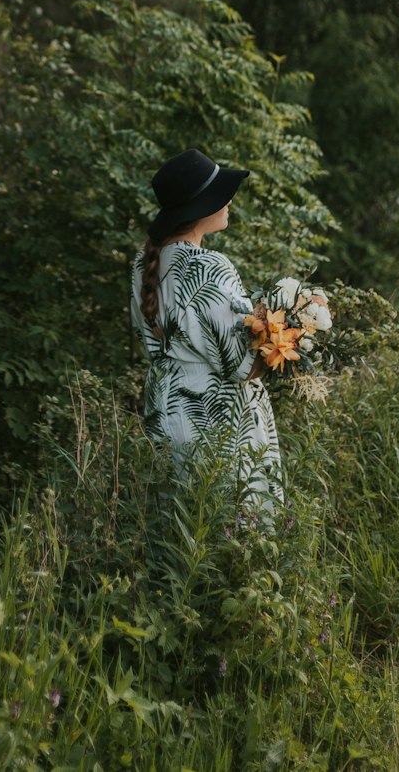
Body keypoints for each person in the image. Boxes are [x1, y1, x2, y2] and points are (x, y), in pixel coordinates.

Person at [130, 147, 283, 521]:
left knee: (175, 530)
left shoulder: (142, 262)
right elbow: (241, 361)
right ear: (200, 207)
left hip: (163, 406)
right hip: (213, 416)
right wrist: (285, 341)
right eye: (220, 195)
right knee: (229, 531)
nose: (229, 201)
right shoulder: (208, 266)